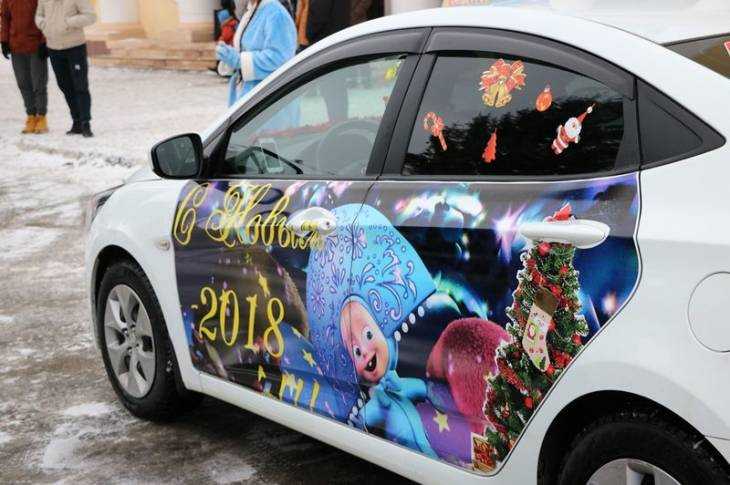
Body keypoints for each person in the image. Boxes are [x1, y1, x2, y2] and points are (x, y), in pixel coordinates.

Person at [216, 0, 297, 107]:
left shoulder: (276, 14)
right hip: (253, 99)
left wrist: (240, 61)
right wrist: (230, 57)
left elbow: (280, 59)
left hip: (271, 104)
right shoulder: (253, 11)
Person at [35, 0, 96, 138]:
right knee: (65, 86)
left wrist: (68, 22)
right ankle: (76, 121)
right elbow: (39, 16)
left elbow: (91, 16)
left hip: (75, 47)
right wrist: (45, 25)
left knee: (80, 86)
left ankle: (85, 123)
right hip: (54, 48)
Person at [1, 0, 49, 134]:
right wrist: (4, 40)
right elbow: (5, 17)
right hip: (16, 46)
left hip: (36, 46)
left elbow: (46, 15)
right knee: (23, 82)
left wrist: (45, 40)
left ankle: (41, 117)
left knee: (38, 82)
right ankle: (31, 116)